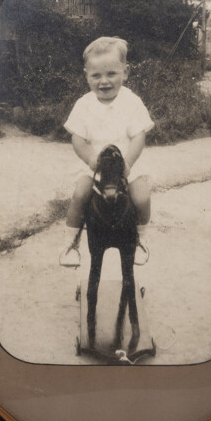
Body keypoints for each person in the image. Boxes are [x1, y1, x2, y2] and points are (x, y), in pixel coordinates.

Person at [60, 36, 154, 267]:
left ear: (126, 72)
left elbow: (138, 136)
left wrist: (128, 163)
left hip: (127, 164)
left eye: (111, 74)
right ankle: (71, 243)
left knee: (141, 195)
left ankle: (139, 239)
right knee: (81, 192)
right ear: (86, 76)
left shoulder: (131, 102)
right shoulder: (84, 104)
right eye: (96, 75)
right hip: (94, 166)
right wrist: (89, 158)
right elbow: (78, 138)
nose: (104, 81)